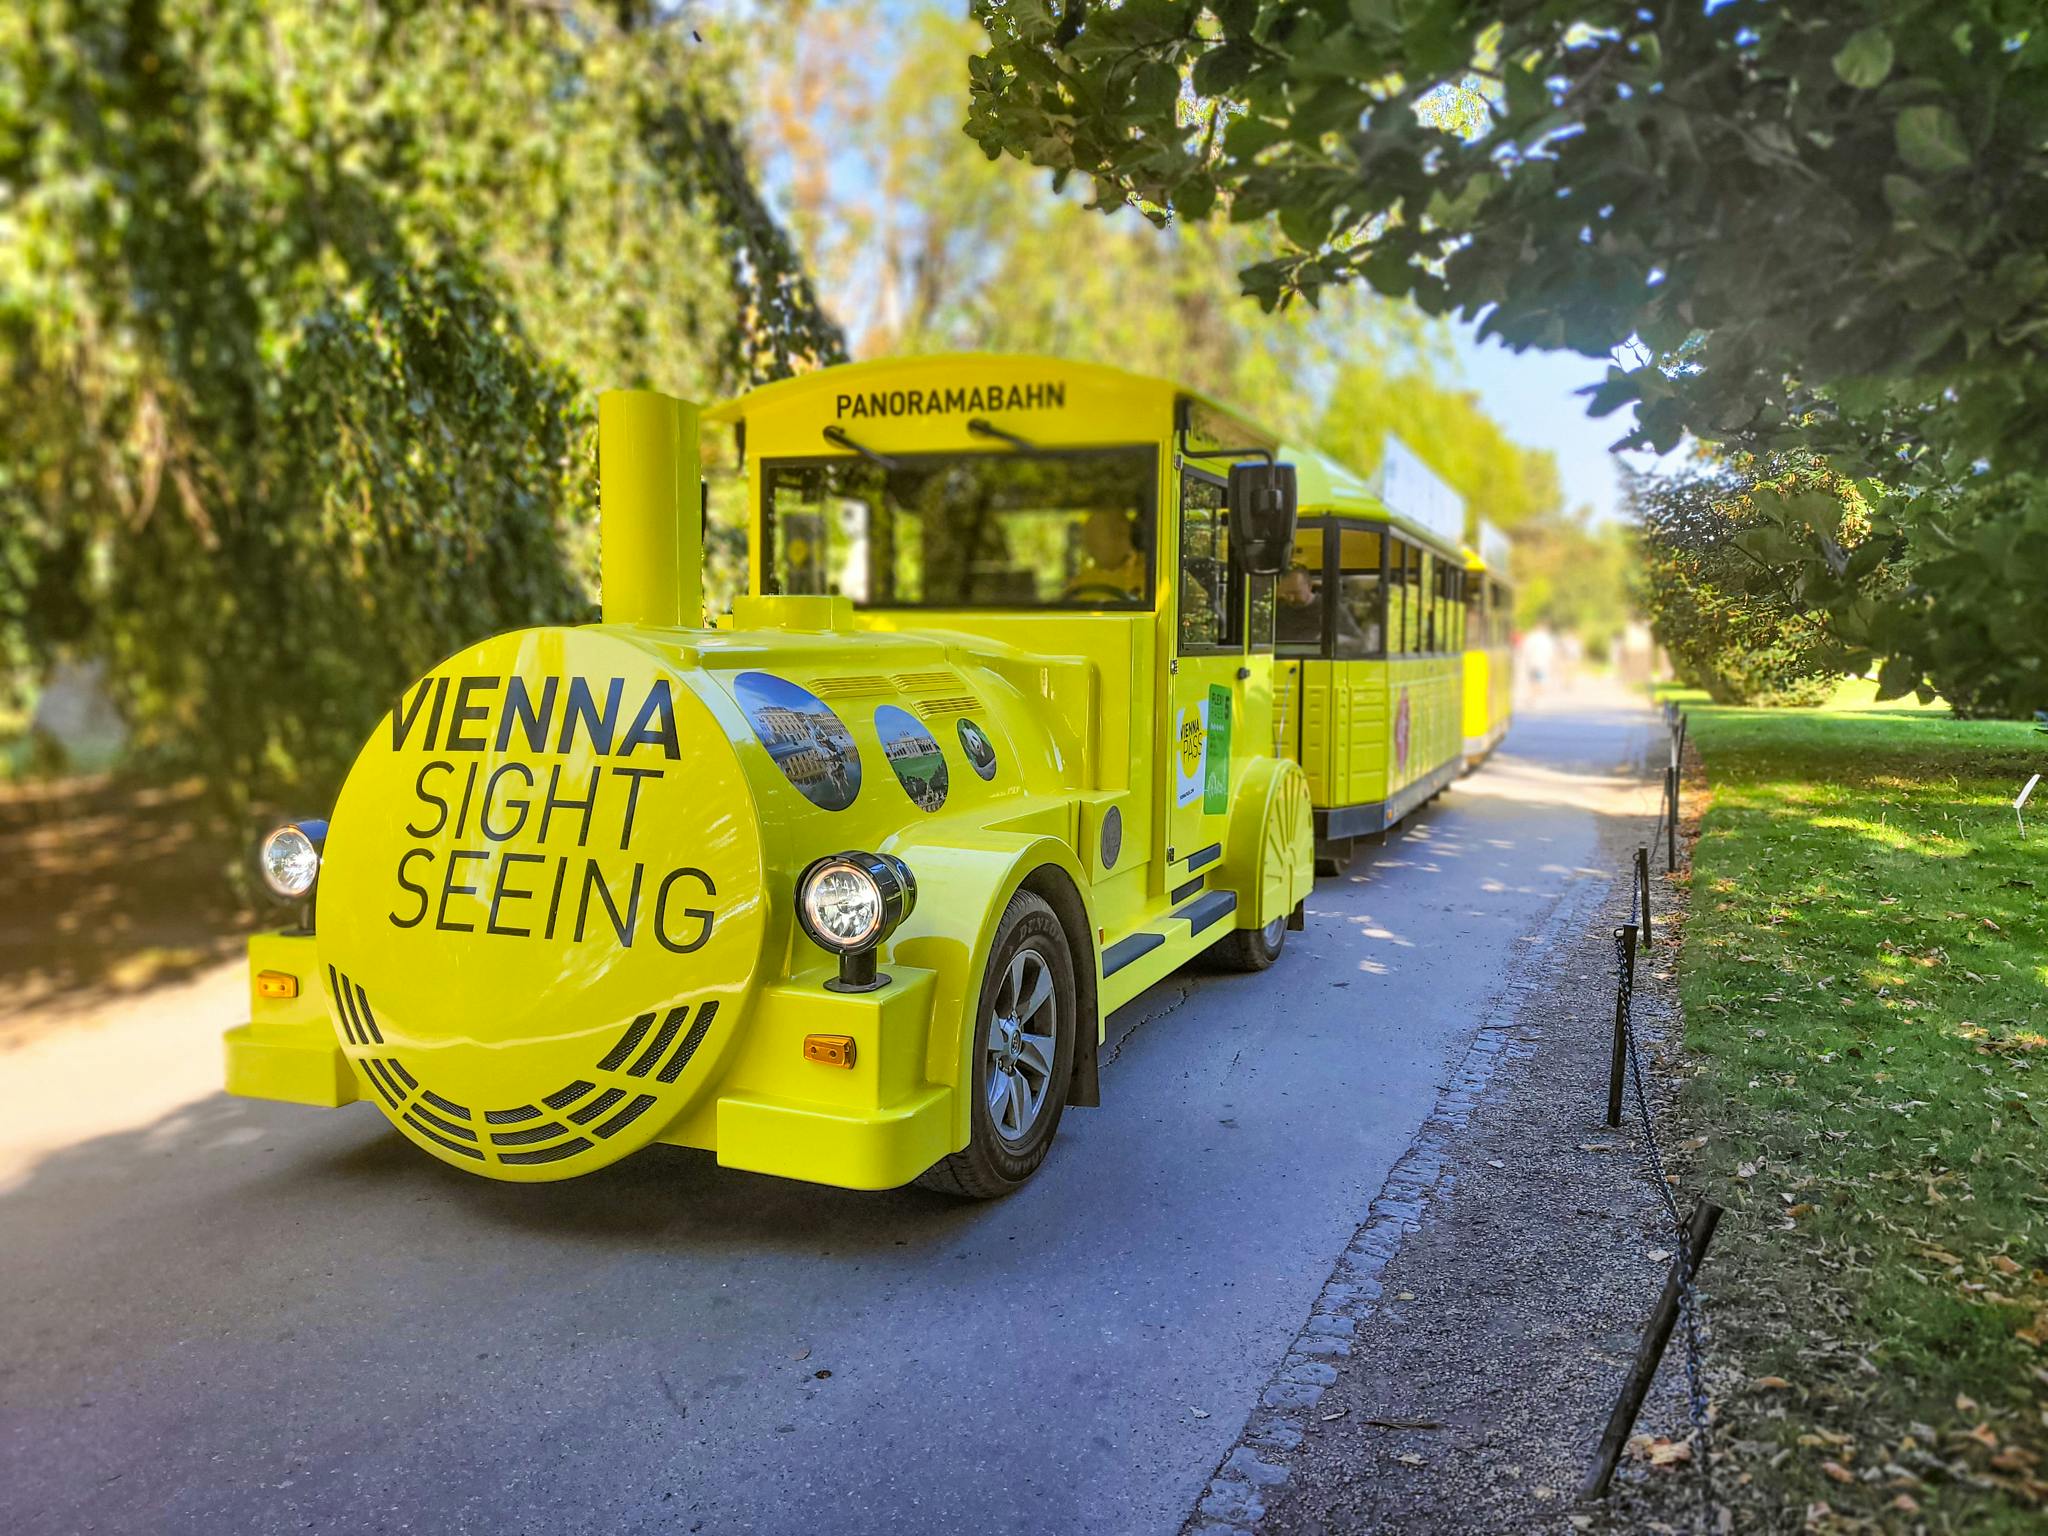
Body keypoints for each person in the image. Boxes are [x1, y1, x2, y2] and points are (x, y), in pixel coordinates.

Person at [1063, 509, 1146, 603]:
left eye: (1127, 534)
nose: (1127, 544)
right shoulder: (1080, 584)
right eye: (1117, 535)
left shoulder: (1152, 571)